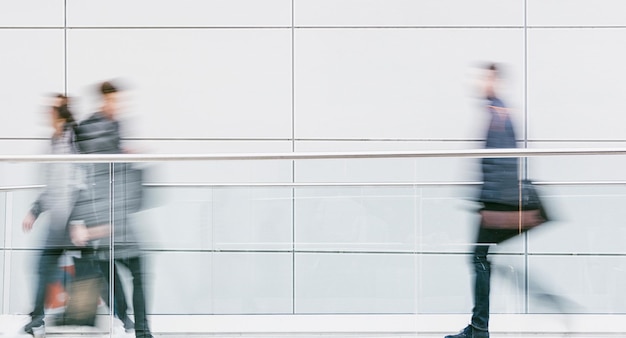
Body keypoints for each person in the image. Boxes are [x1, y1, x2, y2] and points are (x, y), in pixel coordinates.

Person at [69, 80, 152, 338]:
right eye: (116, 101)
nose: (119, 106)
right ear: (106, 100)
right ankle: (136, 327)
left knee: (127, 271)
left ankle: (132, 323)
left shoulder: (109, 127)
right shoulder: (96, 128)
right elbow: (91, 171)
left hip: (114, 215)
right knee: (125, 270)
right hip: (106, 216)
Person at [445, 63, 521, 338]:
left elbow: (501, 164)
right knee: (483, 259)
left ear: (495, 81)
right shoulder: (497, 111)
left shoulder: (498, 113)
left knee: (479, 259)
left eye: (485, 78)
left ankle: (479, 328)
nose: (480, 83)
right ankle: (478, 326)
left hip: (496, 202)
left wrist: (489, 206)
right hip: (497, 201)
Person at [22, 95, 81, 336]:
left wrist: (79, 221)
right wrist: (35, 211)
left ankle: (125, 320)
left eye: (52, 109)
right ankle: (37, 319)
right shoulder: (54, 141)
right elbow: (52, 187)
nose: (48, 114)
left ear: (60, 113)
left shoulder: (74, 140)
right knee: (43, 266)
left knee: (96, 271)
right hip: (58, 219)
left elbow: (80, 181)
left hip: (74, 219)